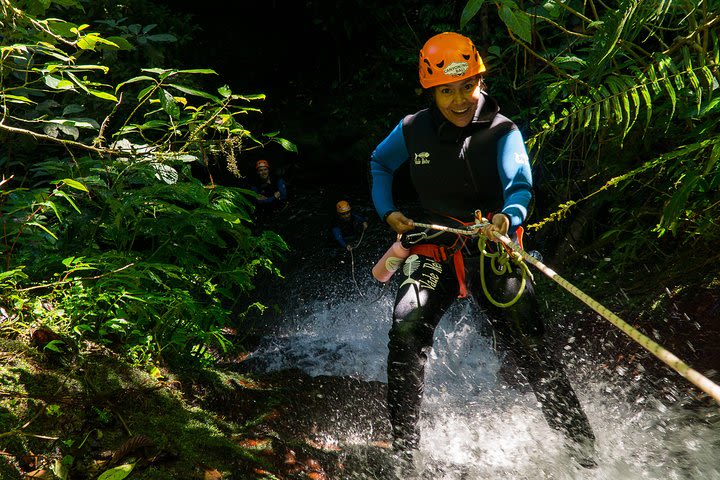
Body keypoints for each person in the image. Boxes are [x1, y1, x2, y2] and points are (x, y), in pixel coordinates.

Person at [368, 32, 596, 468]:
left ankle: (585, 456)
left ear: (480, 80)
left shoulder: (502, 131)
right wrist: (388, 211)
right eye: (446, 91)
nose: (458, 100)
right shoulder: (412, 129)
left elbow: (520, 184)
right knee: (405, 330)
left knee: (531, 347)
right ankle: (403, 456)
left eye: (466, 86)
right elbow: (380, 163)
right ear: (430, 90)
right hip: (434, 250)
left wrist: (507, 218)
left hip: (493, 250)